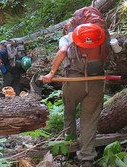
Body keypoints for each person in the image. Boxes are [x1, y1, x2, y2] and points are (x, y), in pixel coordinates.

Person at [43, 20, 109, 167]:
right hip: (96, 81)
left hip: (73, 80)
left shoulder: (67, 38)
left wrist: (51, 73)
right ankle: (87, 158)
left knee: (69, 113)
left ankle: (69, 148)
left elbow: (62, 51)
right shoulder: (99, 36)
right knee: (89, 120)